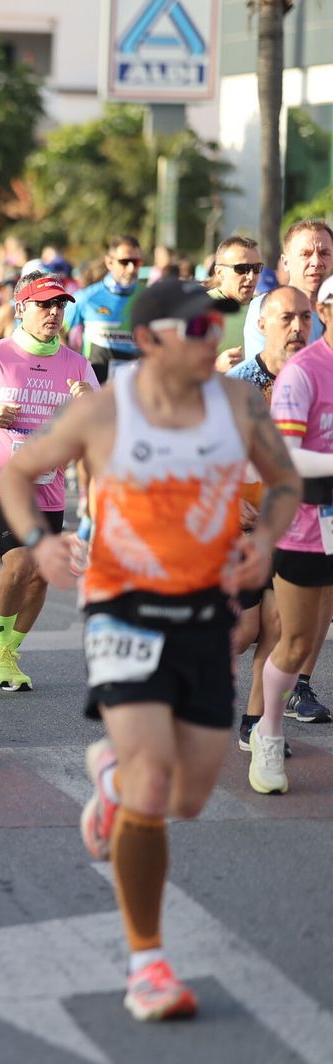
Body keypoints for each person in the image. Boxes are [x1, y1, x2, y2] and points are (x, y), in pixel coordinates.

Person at [0, 276, 298, 1022]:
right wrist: (39, 541)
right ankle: (147, 963)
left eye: (217, 328)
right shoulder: (105, 409)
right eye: (199, 329)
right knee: (154, 787)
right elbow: (15, 471)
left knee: (191, 794)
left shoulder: (237, 405)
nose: (213, 341)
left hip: (205, 614)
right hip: (122, 613)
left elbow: (285, 483)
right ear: (156, 337)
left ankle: (109, 775)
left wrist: (263, 537)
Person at [0, 271, 96, 691]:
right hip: (1, 477)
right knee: (19, 560)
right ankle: (1, 649)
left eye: (59, 306)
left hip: (49, 482)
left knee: (41, 572)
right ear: (21, 308)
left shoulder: (77, 365)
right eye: (44, 304)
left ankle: (7, 650)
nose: (54, 313)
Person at [228, 285, 312, 760]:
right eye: (286, 318)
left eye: (304, 317)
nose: (297, 327)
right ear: (261, 324)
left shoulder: (320, 378)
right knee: (242, 631)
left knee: (278, 624)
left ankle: (257, 723)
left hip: (293, 524)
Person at [243, 219, 332, 361]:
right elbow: (262, 376)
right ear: (285, 262)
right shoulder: (265, 308)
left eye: (324, 253)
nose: (316, 262)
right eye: (305, 254)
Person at [64, 235, 145, 384]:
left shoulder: (148, 296)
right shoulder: (88, 297)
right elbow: (58, 330)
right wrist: (69, 364)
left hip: (135, 387)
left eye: (136, 262)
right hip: (95, 386)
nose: (132, 268)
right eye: (125, 262)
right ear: (109, 262)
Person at [207, 235, 264, 371]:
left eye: (256, 268)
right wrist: (215, 367)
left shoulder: (267, 307)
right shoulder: (201, 308)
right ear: (220, 272)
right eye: (241, 269)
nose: (251, 276)